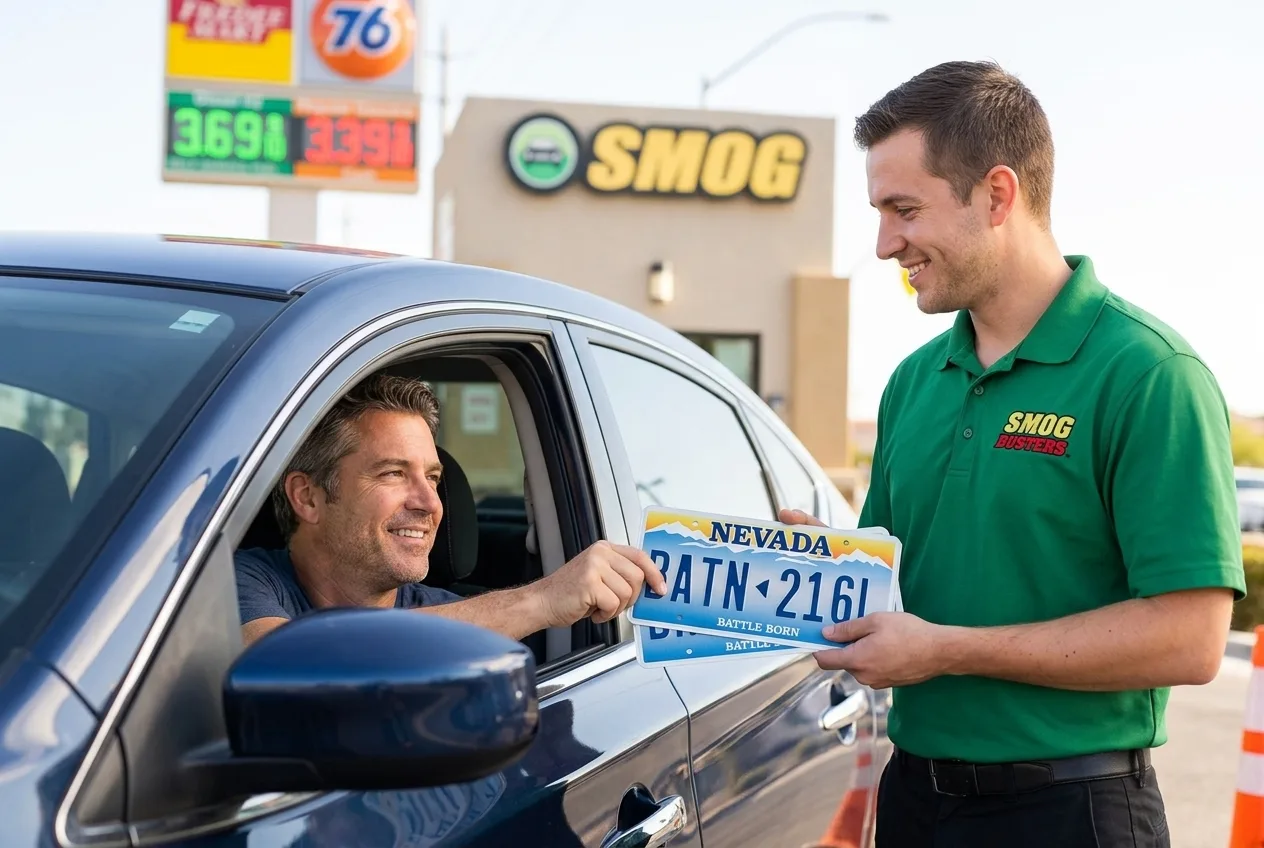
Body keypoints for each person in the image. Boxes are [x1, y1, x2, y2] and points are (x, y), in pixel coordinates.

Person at [781, 60, 1246, 847]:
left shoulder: (1148, 374)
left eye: (904, 210)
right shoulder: (913, 383)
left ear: (997, 195)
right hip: (916, 800)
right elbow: (894, 595)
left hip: (1072, 811)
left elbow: (1191, 639)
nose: (886, 243)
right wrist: (811, 570)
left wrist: (949, 652)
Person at [235, 372, 666, 647]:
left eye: (434, 478)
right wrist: (542, 599)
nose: (429, 503)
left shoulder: (469, 628)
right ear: (307, 497)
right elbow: (286, 664)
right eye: (393, 474)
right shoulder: (237, 584)